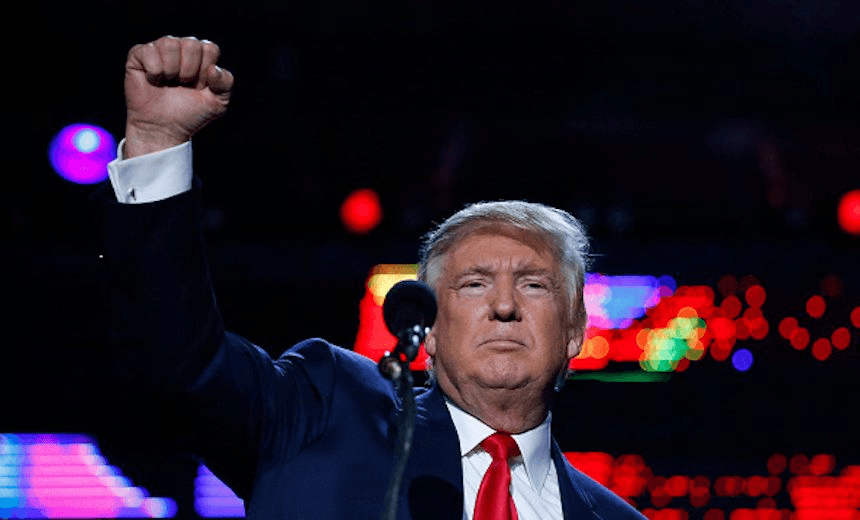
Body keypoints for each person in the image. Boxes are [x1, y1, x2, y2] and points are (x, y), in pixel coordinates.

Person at [98, 35, 646, 520]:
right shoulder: (324, 411)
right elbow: (179, 361)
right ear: (428, 328)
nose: (504, 305)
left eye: (533, 284)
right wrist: (158, 141)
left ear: (575, 326)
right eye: (474, 284)